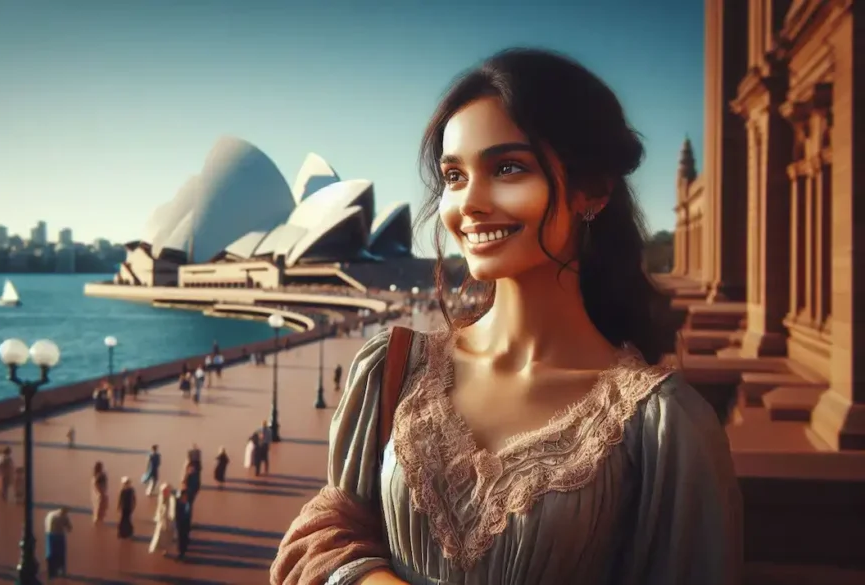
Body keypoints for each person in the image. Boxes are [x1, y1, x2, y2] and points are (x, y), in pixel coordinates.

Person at [270, 49, 742, 585]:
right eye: (453, 175)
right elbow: (330, 531)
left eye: (508, 167)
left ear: (594, 190)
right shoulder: (396, 369)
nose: (468, 203)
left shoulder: (663, 429)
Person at [44, 506, 72, 579]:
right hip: (59, 536)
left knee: (50, 552)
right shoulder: (64, 516)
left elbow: (46, 524)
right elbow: (69, 528)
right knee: (61, 553)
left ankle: (51, 571)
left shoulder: (50, 514)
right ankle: (62, 571)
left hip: (49, 535)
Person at [148, 483, 174, 556]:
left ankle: (165, 549)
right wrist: (157, 517)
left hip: (168, 521)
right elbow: (159, 508)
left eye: (165, 491)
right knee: (158, 534)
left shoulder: (171, 499)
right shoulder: (160, 497)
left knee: (167, 537)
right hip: (161, 520)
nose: (164, 492)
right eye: (163, 491)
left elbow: (172, 512)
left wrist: (171, 520)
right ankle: (154, 547)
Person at [172, 486, 194, 560]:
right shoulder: (178, 503)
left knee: (185, 537)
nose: (185, 497)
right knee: (180, 538)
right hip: (180, 523)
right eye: (184, 496)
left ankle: (183, 549)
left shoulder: (188, 502)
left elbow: (189, 513)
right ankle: (181, 552)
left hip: (186, 523)